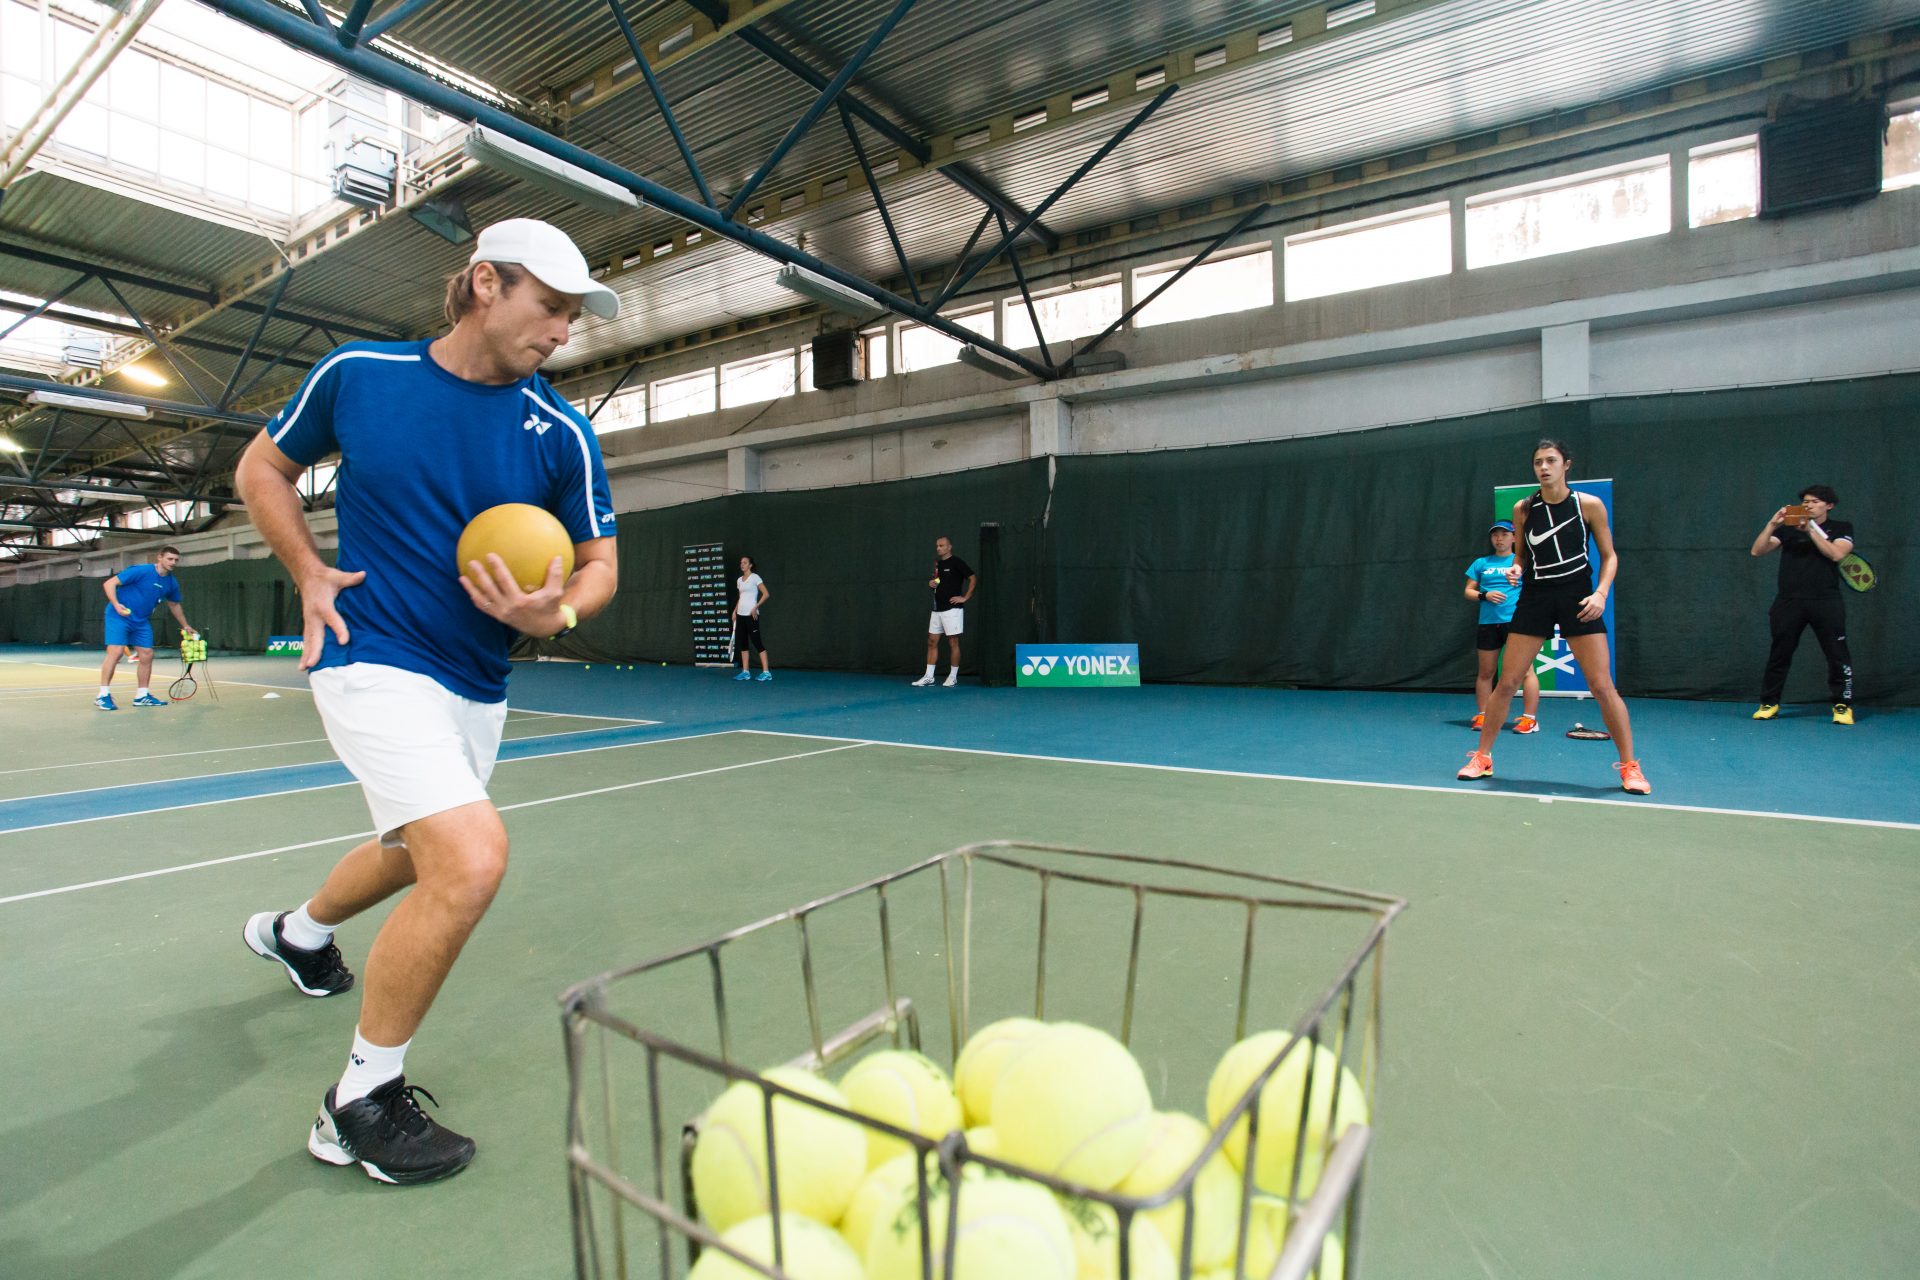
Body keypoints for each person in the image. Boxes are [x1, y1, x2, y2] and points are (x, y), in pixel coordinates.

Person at [233, 218, 620, 1185]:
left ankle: (298, 932)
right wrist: (309, 573)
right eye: (551, 307)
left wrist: (559, 608)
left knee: (417, 852)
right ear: (486, 284)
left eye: (576, 316)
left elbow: (602, 562)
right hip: (372, 654)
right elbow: (261, 468)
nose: (564, 331)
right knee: (472, 855)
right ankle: (357, 1101)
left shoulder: (560, 431)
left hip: (478, 681)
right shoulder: (360, 376)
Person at [1457, 439, 1649, 794]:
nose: (1543, 468)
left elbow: (1609, 556)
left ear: (1566, 465)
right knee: (1507, 683)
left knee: (1602, 687)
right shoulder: (1523, 509)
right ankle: (1482, 757)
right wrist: (1516, 569)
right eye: (1537, 463)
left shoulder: (1588, 505)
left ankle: (1630, 767)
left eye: (1550, 461)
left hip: (1579, 597)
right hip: (1534, 598)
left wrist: (1601, 593)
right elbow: (1522, 559)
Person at [1749, 485, 1855, 724]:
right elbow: (1757, 551)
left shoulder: (1842, 528)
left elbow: (1837, 555)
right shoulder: (1787, 530)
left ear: (1829, 505)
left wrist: (1810, 531)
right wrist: (1772, 524)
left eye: (1815, 501)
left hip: (1826, 602)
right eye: (1806, 501)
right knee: (1779, 654)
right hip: (1788, 603)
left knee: (1837, 655)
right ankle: (1769, 703)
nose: (1808, 505)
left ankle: (1842, 705)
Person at [1463, 521, 1541, 733]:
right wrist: (1484, 595)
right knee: (1486, 672)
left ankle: (1529, 719)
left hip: (1517, 623)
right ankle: (1483, 715)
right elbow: (1468, 591)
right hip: (1488, 623)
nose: (1499, 538)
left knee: (1526, 672)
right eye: (1495, 535)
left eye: (1505, 534)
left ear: (1514, 538)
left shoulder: (1523, 562)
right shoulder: (1481, 563)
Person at [97, 546, 196, 710]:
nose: (173, 562)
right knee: (115, 652)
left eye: (176, 560)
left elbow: (174, 604)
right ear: (160, 557)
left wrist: (185, 625)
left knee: (147, 654)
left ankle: (142, 696)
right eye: (170, 559)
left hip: (141, 621)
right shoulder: (141, 571)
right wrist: (116, 604)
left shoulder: (171, 582)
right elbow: (109, 583)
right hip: (118, 616)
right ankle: (102, 695)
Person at [911, 535, 975, 688]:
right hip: (937, 609)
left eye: (942, 545)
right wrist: (932, 583)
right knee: (932, 641)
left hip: (952, 609)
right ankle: (929, 677)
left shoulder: (957, 562)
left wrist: (965, 597)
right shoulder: (938, 564)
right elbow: (941, 580)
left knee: (953, 642)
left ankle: (953, 677)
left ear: (949, 547)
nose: (938, 548)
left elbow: (972, 577)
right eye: (937, 546)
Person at [732, 553, 772, 681]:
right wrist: (734, 611)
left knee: (757, 642)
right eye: (741, 563)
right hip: (740, 616)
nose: (742, 564)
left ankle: (766, 672)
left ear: (750, 565)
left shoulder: (755, 578)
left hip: (751, 615)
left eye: (744, 562)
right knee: (743, 643)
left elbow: (766, 594)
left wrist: (755, 607)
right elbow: (741, 597)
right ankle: (745, 672)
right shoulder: (739, 580)